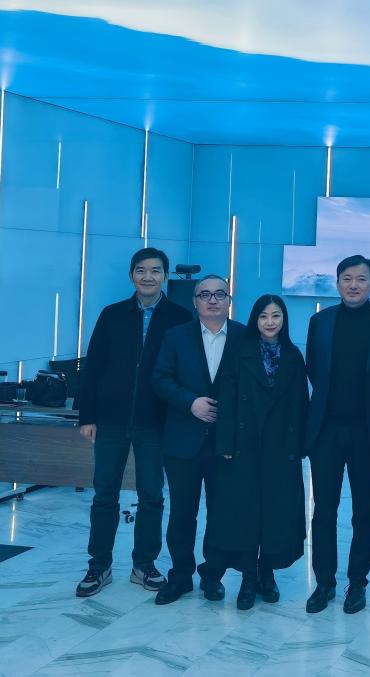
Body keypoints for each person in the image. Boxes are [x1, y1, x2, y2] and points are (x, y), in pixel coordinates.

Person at [74, 247, 192, 597]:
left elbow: (183, 373)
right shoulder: (112, 314)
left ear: (165, 276)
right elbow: (93, 366)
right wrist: (87, 415)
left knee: (152, 495)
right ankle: (99, 566)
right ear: (131, 276)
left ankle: (144, 565)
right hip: (110, 419)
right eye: (141, 270)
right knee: (104, 494)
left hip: (155, 421)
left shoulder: (179, 317)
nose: (148, 277)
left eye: (155, 271)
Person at [304, 255, 370, 614]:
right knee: (323, 510)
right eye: (347, 278)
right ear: (337, 283)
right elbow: (313, 368)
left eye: (362, 279)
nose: (354, 285)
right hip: (326, 430)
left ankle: (357, 582)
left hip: (368, 430)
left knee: (364, 512)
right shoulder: (320, 321)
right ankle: (324, 582)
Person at [206, 295, 308, 610]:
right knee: (244, 514)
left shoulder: (293, 356)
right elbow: (227, 398)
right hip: (243, 447)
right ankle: (248, 577)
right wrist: (225, 444)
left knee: (276, 513)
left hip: (280, 449)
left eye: (276, 315)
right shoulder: (239, 351)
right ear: (255, 320)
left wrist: (299, 446)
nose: (270, 322)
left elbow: (300, 404)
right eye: (263, 316)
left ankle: (268, 573)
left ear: (284, 320)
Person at [151, 275, 245, 605]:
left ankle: (212, 575)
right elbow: (159, 378)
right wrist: (190, 402)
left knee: (221, 513)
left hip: (226, 443)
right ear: (195, 302)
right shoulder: (176, 336)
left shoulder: (245, 336)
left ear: (229, 300)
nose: (212, 300)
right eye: (205, 295)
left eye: (220, 294)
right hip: (183, 439)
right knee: (182, 513)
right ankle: (180, 576)